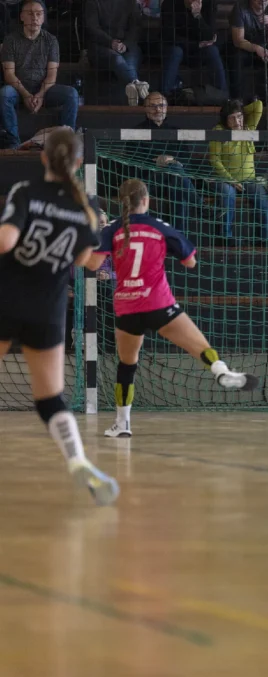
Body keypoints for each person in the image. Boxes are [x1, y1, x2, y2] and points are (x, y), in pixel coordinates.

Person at [85, 179, 259, 438]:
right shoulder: (160, 227)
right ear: (146, 200)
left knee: (127, 364)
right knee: (199, 346)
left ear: (121, 203)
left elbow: (92, 264)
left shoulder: (112, 229)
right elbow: (190, 262)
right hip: (158, 303)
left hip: (127, 307)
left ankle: (122, 424)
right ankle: (221, 371)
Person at [0, 128, 119, 505]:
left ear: (43, 157)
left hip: (6, 299)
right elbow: (89, 261)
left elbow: (5, 240)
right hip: (48, 311)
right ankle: (78, 459)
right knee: (50, 399)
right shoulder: (87, 209)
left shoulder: (26, 191)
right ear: (79, 162)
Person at [0, 0, 79, 150]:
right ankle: (13, 143)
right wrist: (26, 95)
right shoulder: (10, 40)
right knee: (4, 94)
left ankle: (66, 141)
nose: (35, 18)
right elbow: (9, 74)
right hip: (18, 89)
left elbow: (52, 74)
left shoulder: (51, 41)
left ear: (43, 18)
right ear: (22, 16)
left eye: (39, 14)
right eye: (30, 14)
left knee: (72, 95)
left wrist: (41, 95)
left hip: (44, 89)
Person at [209, 98, 268, 240]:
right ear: (225, 120)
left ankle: (266, 239)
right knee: (227, 193)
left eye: (239, 117)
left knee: (261, 195)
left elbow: (258, 105)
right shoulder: (219, 131)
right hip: (226, 180)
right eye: (231, 118)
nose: (237, 122)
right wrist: (231, 180)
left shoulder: (248, 128)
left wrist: (239, 108)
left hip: (249, 180)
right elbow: (214, 159)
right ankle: (225, 238)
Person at [135, 91, 201, 231]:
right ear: (145, 109)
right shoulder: (136, 131)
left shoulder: (176, 131)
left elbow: (187, 160)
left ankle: (177, 237)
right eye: (153, 106)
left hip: (174, 182)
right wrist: (156, 163)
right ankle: (200, 206)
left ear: (166, 108)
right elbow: (131, 160)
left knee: (176, 179)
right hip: (150, 181)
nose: (157, 109)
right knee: (175, 172)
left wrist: (173, 160)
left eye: (161, 105)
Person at [82, 0, 150, 105]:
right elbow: (92, 28)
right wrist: (110, 42)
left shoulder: (131, 2)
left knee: (130, 63)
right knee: (116, 59)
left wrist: (125, 44)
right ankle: (135, 83)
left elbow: (136, 27)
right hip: (101, 46)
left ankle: (134, 89)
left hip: (127, 45)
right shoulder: (93, 2)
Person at [161, 0, 228, 94]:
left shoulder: (209, 4)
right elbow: (169, 36)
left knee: (212, 50)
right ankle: (163, 95)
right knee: (176, 51)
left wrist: (197, 15)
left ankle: (222, 95)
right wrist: (196, 45)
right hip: (178, 49)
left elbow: (210, 36)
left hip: (199, 52)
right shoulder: (169, 4)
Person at [230, 0, 268, 103]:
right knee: (236, 58)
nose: (262, 1)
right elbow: (238, 41)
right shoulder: (240, 8)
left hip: (267, 49)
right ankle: (237, 101)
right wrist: (256, 48)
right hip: (246, 48)